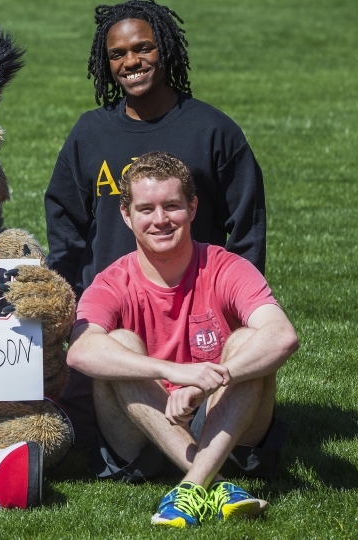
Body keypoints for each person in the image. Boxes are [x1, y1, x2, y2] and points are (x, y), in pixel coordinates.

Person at [44, 0, 267, 451]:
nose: (131, 62)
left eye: (143, 48)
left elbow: (246, 232)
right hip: (115, 315)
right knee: (78, 434)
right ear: (105, 64)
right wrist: (69, 316)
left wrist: (236, 314)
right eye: (117, 54)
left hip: (196, 318)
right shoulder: (89, 134)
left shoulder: (212, 131)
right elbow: (64, 231)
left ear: (165, 49)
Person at [66, 152, 297, 528]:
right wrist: (174, 372)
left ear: (192, 207)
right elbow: (80, 352)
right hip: (142, 430)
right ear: (126, 216)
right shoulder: (111, 281)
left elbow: (282, 335)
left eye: (172, 206)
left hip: (225, 425)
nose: (160, 220)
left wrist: (214, 379)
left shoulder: (225, 266)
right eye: (146, 209)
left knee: (249, 343)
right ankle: (215, 482)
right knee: (119, 342)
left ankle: (190, 486)